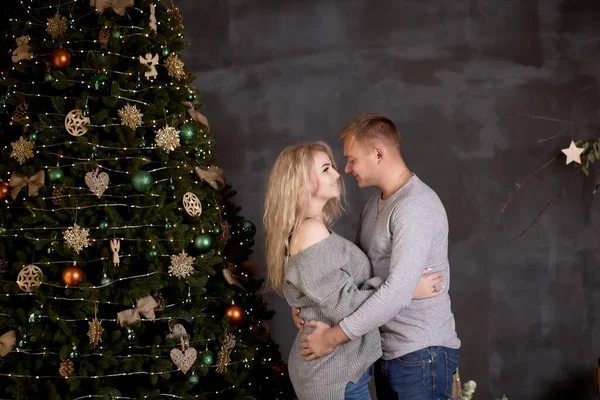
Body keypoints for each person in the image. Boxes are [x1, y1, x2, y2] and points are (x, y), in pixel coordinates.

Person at [296, 114, 461, 400]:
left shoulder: (414, 206)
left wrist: (331, 338)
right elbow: (359, 277)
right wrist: (307, 303)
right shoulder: (374, 205)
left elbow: (396, 293)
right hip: (386, 351)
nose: (346, 169)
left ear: (378, 153)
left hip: (420, 352)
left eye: (352, 159)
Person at [263, 141, 443, 400]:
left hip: (339, 368)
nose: (337, 174)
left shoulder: (313, 228)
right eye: (326, 169)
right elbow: (345, 306)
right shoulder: (310, 231)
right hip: (330, 374)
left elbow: (322, 293)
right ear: (302, 181)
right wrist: (407, 290)